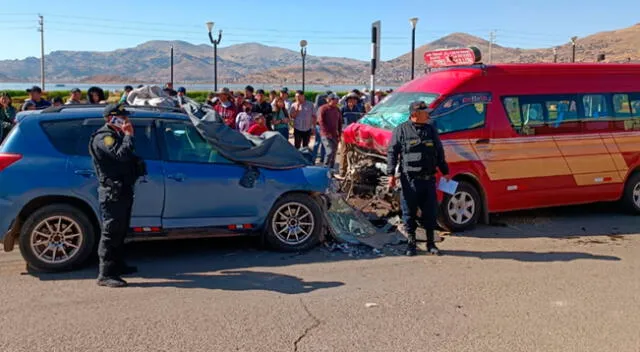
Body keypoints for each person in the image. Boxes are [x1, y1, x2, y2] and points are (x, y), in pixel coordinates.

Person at [88, 103, 146, 288]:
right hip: (112, 192)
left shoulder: (116, 135)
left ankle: (117, 265)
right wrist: (129, 135)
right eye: (122, 117)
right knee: (111, 232)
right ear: (110, 118)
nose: (126, 120)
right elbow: (121, 155)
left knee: (121, 230)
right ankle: (105, 274)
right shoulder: (104, 138)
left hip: (123, 190)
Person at [387, 101, 449, 257]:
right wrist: (390, 175)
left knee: (431, 212)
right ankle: (411, 244)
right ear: (415, 114)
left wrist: (445, 171)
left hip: (428, 179)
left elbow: (439, 151)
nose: (428, 114)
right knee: (409, 213)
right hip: (410, 180)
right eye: (424, 112)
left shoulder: (430, 129)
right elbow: (392, 153)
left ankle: (430, 243)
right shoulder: (401, 130)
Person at [317, 93, 342, 169]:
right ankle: (325, 168)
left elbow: (340, 122)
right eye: (334, 100)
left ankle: (331, 169)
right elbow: (320, 121)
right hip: (325, 135)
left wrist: (339, 134)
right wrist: (327, 133)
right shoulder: (323, 108)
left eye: (337, 100)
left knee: (334, 153)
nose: (336, 101)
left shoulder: (337, 109)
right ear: (329, 100)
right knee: (329, 151)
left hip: (335, 135)